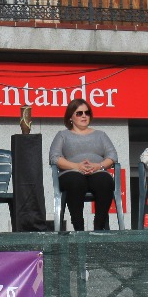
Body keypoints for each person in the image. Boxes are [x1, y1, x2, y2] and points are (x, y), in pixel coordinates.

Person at [50, 99, 119, 231]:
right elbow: (54, 158)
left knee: (105, 181)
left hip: (96, 171)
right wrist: (76, 166)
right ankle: (79, 229)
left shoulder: (100, 135)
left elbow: (112, 156)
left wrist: (98, 166)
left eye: (87, 113)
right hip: (71, 172)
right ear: (71, 117)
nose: (84, 116)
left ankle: (99, 227)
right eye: (79, 113)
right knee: (76, 181)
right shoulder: (63, 135)